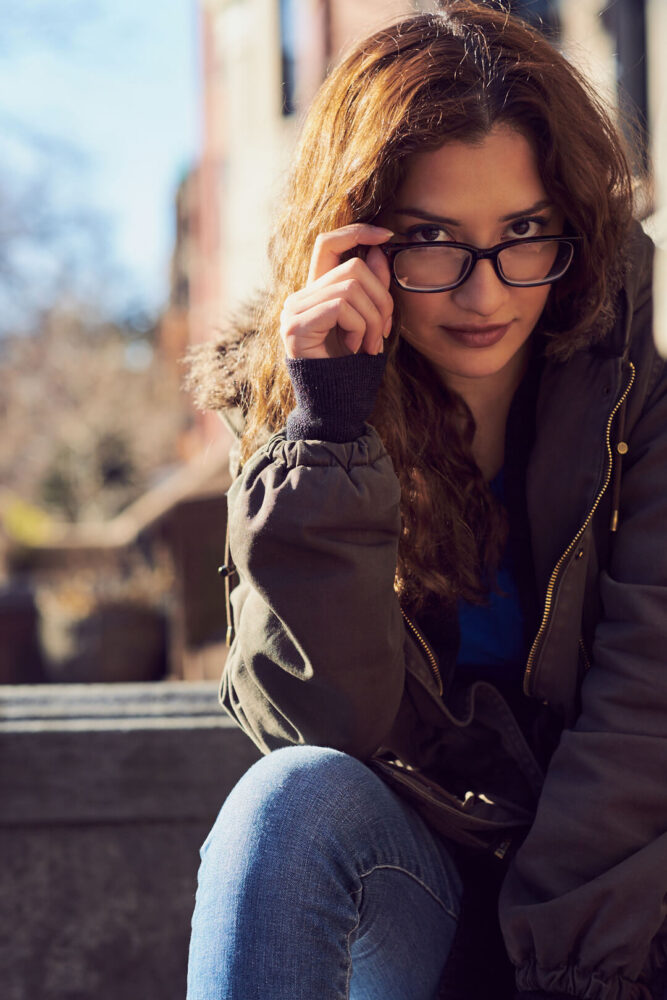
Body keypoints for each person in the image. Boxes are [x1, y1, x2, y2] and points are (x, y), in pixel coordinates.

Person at [186, 3, 667, 998]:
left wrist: (573, 975)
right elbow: (318, 724)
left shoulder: (645, 364)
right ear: (355, 243)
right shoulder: (298, 405)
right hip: (429, 904)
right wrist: (327, 430)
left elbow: (646, 707)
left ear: (573, 219)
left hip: (628, 916)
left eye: (525, 233)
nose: (485, 295)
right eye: (432, 241)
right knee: (290, 802)